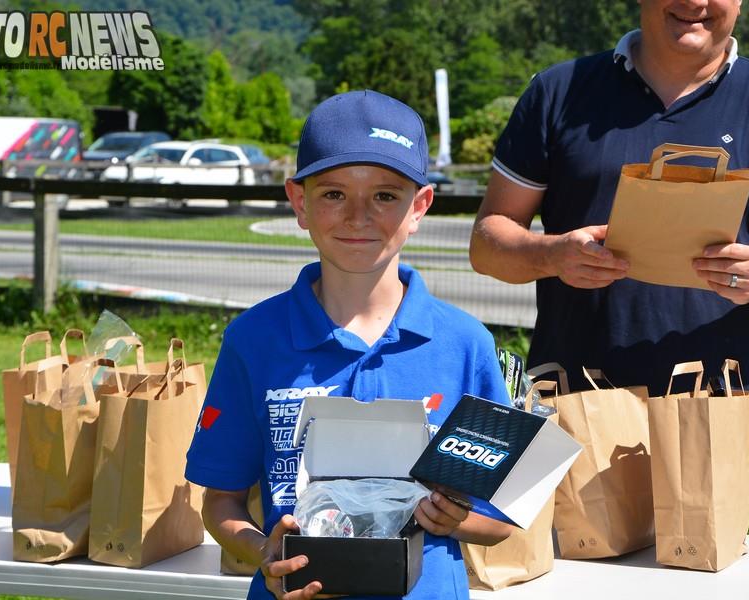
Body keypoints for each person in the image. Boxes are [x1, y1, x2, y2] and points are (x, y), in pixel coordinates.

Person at [185, 90, 513, 600]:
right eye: (333, 194)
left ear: (419, 206)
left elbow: (503, 521)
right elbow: (220, 502)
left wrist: (455, 519)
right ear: (299, 202)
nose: (358, 216)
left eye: (385, 195)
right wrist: (264, 553)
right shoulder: (254, 339)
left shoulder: (464, 345)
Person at [470, 0, 749, 403]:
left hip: (709, 408)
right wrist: (552, 255)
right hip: (571, 399)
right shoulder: (558, 91)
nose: (694, 2)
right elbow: (486, 243)